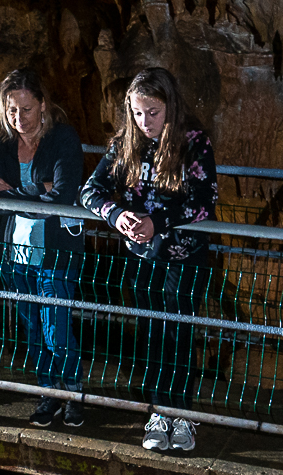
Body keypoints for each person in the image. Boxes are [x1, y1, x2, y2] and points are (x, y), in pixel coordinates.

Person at [78, 66, 217, 454]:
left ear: (170, 106)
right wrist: (116, 215)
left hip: (185, 256)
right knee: (152, 332)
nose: (145, 122)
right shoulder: (126, 143)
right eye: (137, 113)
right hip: (142, 257)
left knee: (180, 333)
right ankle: (158, 412)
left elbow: (204, 202)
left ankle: (182, 414)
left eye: (153, 112)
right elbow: (90, 190)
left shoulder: (194, 142)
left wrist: (158, 221)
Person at [0, 69, 86, 428]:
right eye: (11, 111)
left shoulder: (63, 138)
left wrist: (13, 192)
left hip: (57, 249)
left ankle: (72, 392)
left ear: (43, 105)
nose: (19, 119)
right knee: (32, 327)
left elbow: (63, 195)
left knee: (57, 326)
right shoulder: (1, 143)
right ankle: (48, 392)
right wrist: (38, 190)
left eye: (26, 109)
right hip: (16, 252)